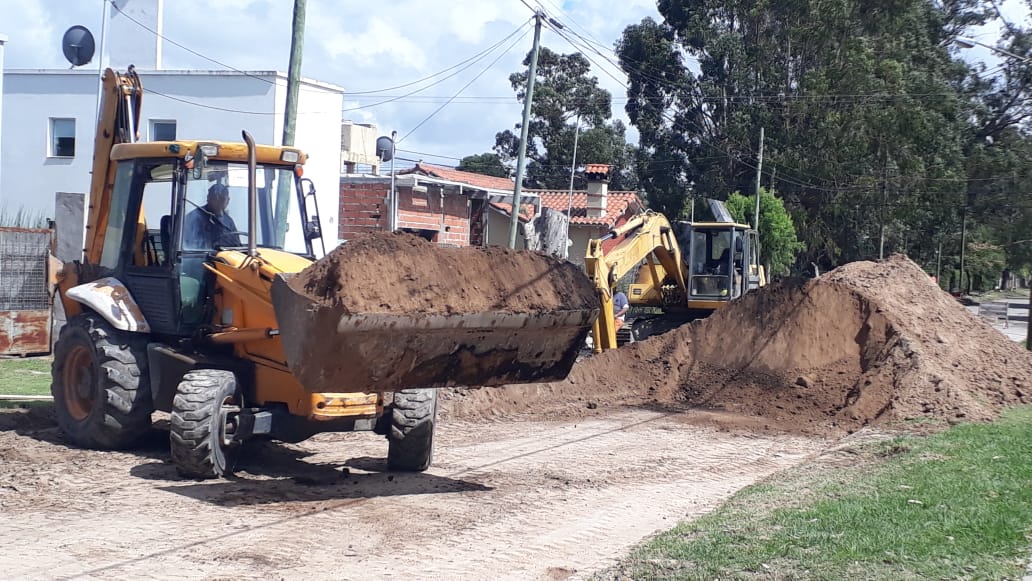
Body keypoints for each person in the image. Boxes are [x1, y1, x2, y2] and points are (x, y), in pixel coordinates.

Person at [184, 183, 241, 250]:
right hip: (202, 258)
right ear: (208, 198)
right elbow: (189, 247)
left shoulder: (229, 222)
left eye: (221, 198)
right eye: (215, 198)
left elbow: (237, 245)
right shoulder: (194, 218)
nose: (218, 201)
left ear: (228, 200)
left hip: (225, 257)